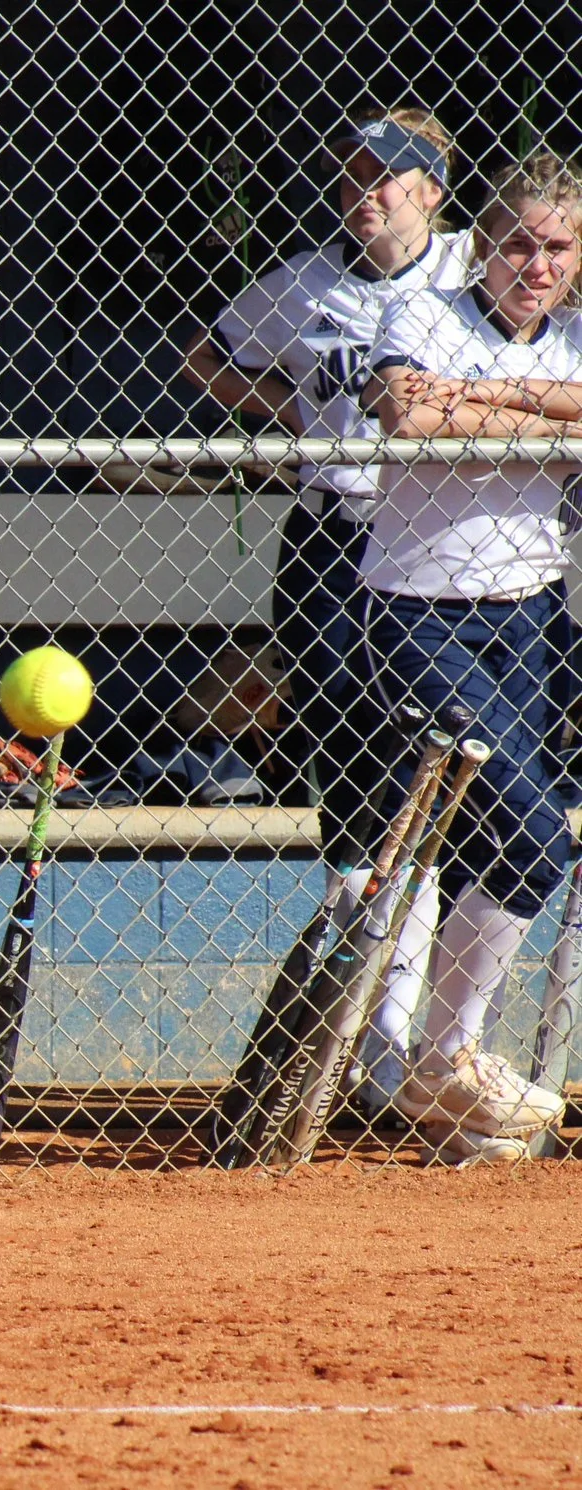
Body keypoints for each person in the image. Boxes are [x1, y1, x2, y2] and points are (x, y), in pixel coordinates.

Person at [181, 107, 473, 1111]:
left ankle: (406, 1032)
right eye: (352, 172)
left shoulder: (471, 270)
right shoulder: (301, 285)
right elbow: (205, 355)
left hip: (437, 538)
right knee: (347, 768)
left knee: (425, 768)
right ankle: (360, 1030)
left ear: (432, 189)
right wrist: (296, 407)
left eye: (386, 174)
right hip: (330, 536)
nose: (364, 189)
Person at [362, 150, 582, 1165]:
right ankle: (443, 1056)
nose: (537, 267)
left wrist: (483, 399)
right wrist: (543, 413)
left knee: (501, 847)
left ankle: (448, 1078)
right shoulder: (423, 314)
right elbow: (409, 416)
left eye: (558, 248)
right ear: (482, 245)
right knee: (535, 833)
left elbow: (460, 412)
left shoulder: (573, 336)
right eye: (518, 245)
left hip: (527, 615)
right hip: (417, 613)